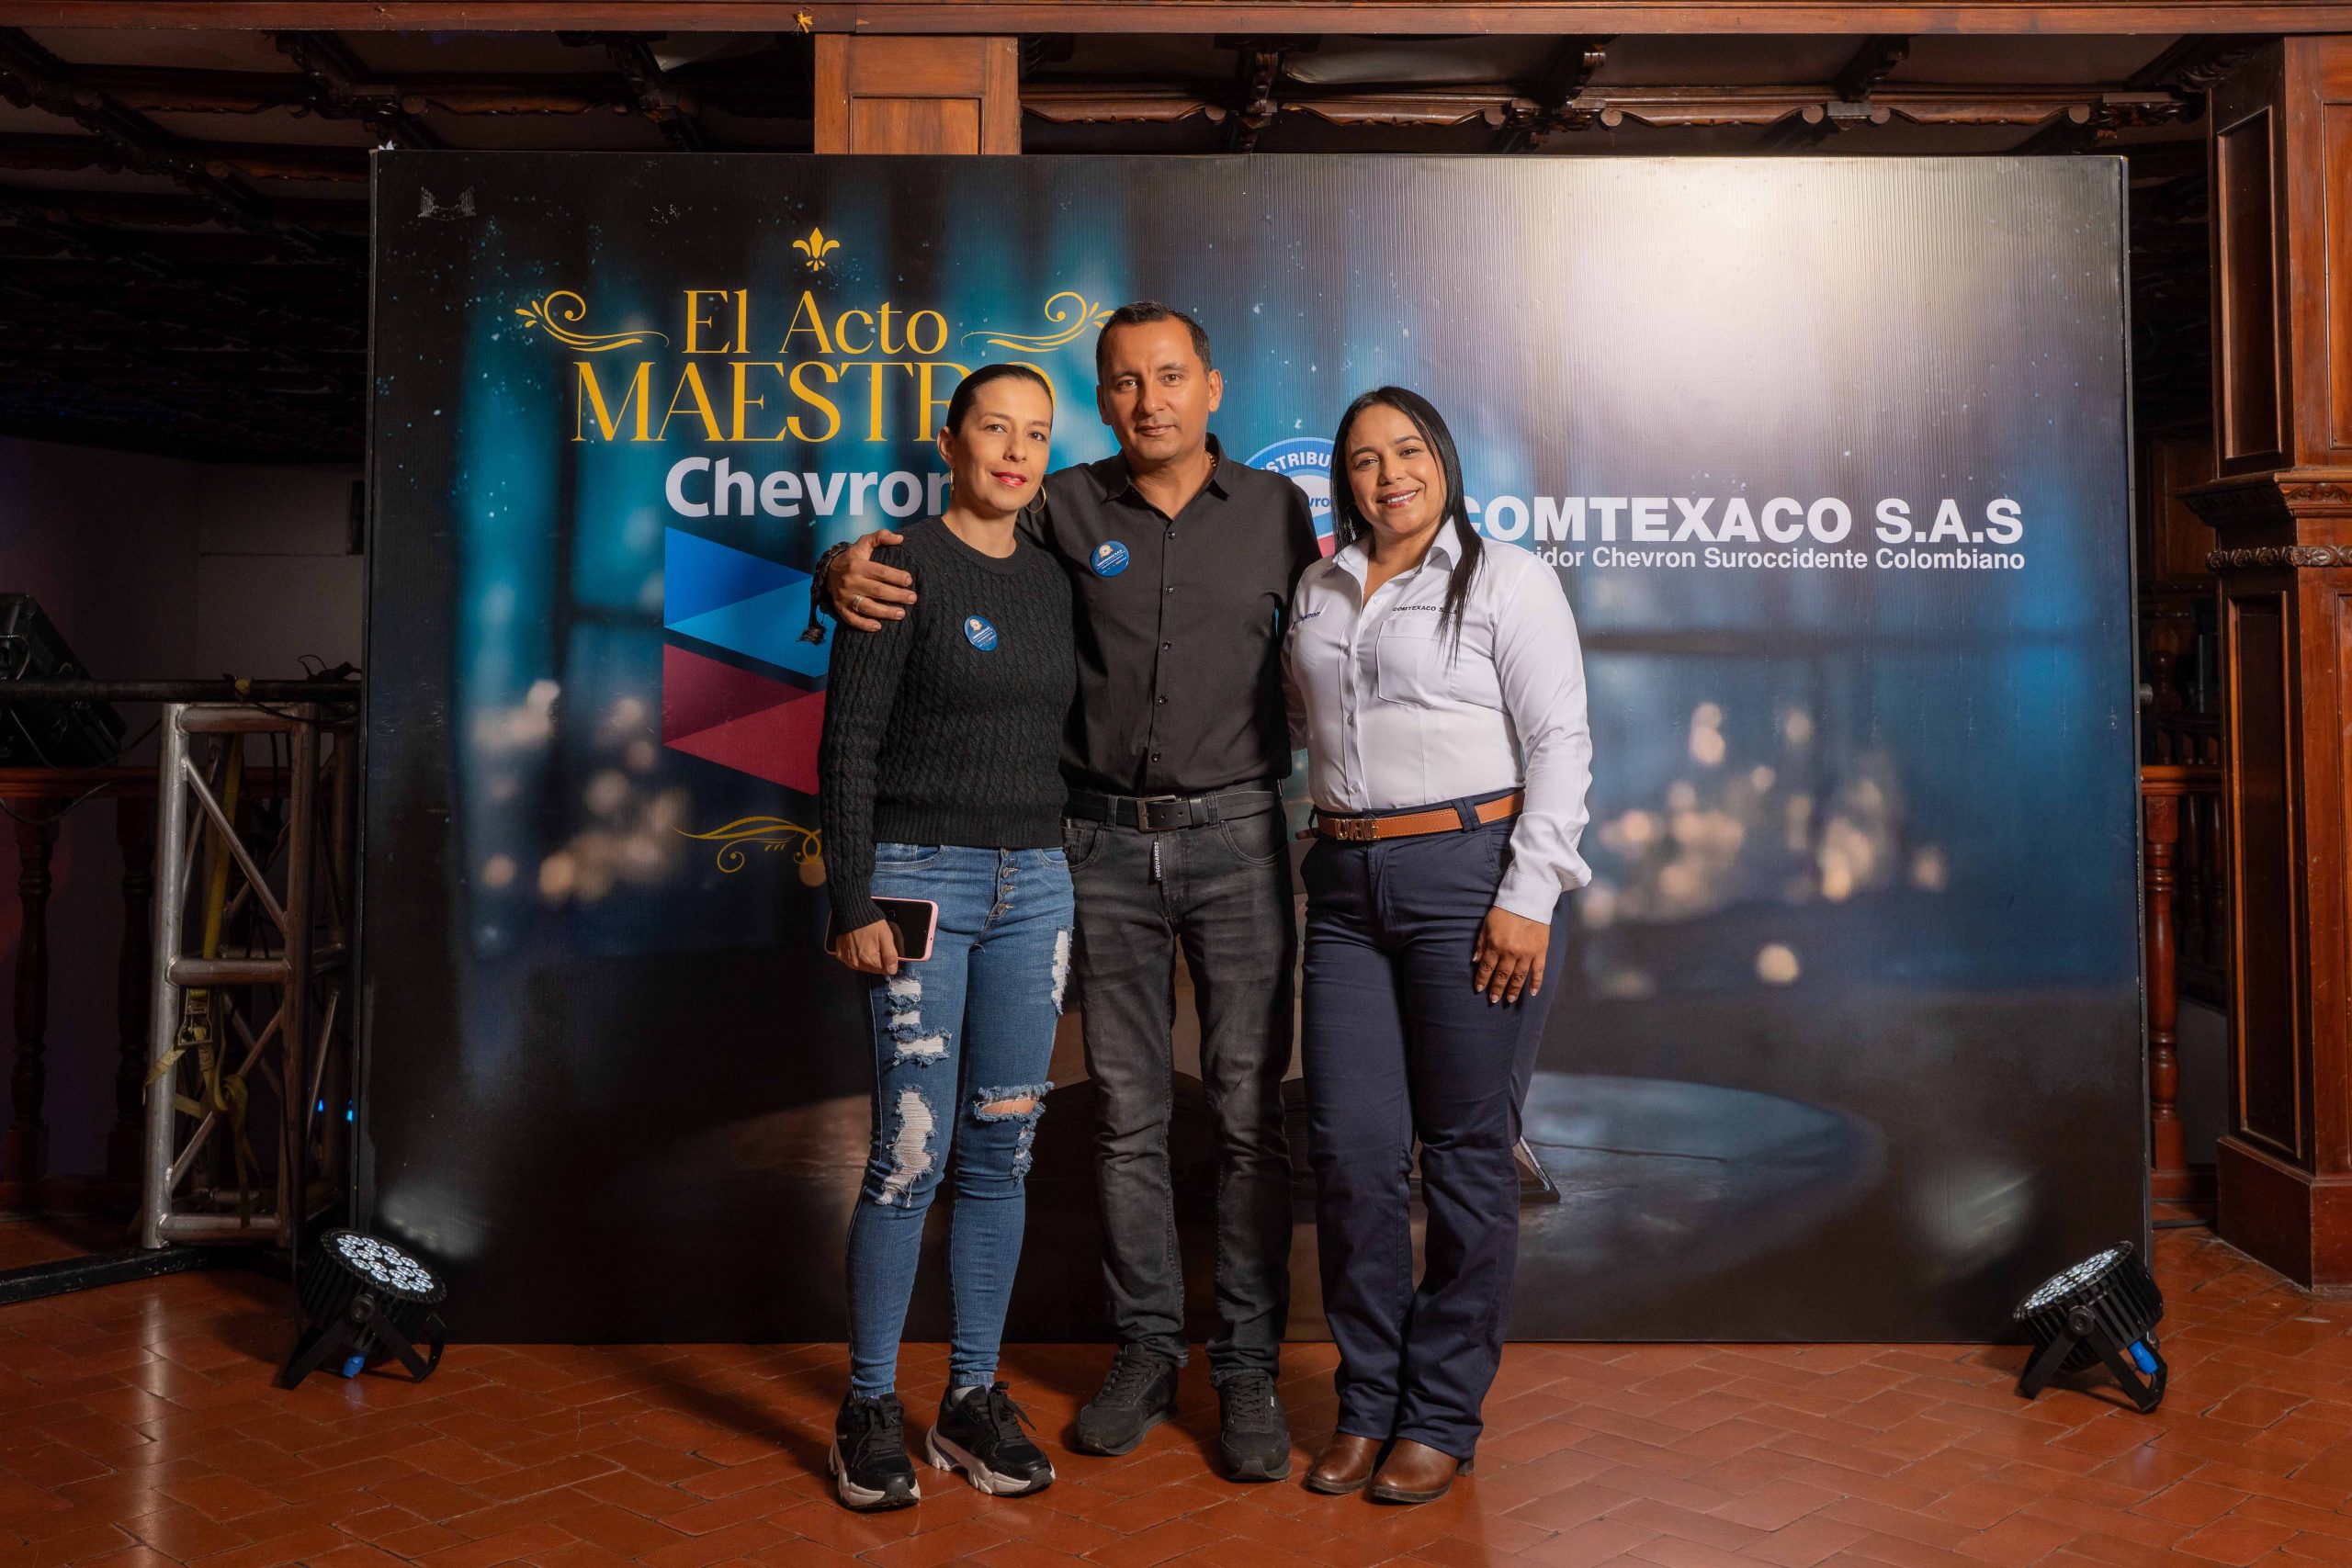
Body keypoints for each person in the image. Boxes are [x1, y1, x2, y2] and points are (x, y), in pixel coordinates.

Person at [817, 304, 1320, 1481]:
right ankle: (1143, 1351)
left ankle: (1243, 1368)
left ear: (1210, 387)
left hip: (1230, 839)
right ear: (1103, 403)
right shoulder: (1061, 507)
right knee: (1122, 1118)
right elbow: (932, 564)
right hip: (1091, 845)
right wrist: (834, 570)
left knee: (1242, 1116)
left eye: (1170, 376)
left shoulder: (1278, 512)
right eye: (1125, 382)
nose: (1149, 400)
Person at [1283, 387, 1591, 1506]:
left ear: (1443, 460)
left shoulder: (1508, 579)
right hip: (1343, 886)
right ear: (1344, 481)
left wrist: (1529, 893)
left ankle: (1441, 1414)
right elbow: (1304, 724)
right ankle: (1367, 1402)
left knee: (1464, 1153)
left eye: (1407, 451)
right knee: (1353, 1156)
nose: (1389, 476)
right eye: (1364, 460)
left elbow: (1559, 741)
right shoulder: (1317, 591)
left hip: (1471, 876)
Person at [818, 364, 1076, 1512]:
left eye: (1035, 435)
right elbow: (847, 747)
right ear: (949, 440)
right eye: (994, 429)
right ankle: (869, 1407)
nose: (1014, 452)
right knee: (909, 1156)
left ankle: (971, 1401)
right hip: (918, 886)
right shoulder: (898, 567)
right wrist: (851, 901)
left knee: (1000, 1150)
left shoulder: (1057, 578)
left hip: (1039, 889)